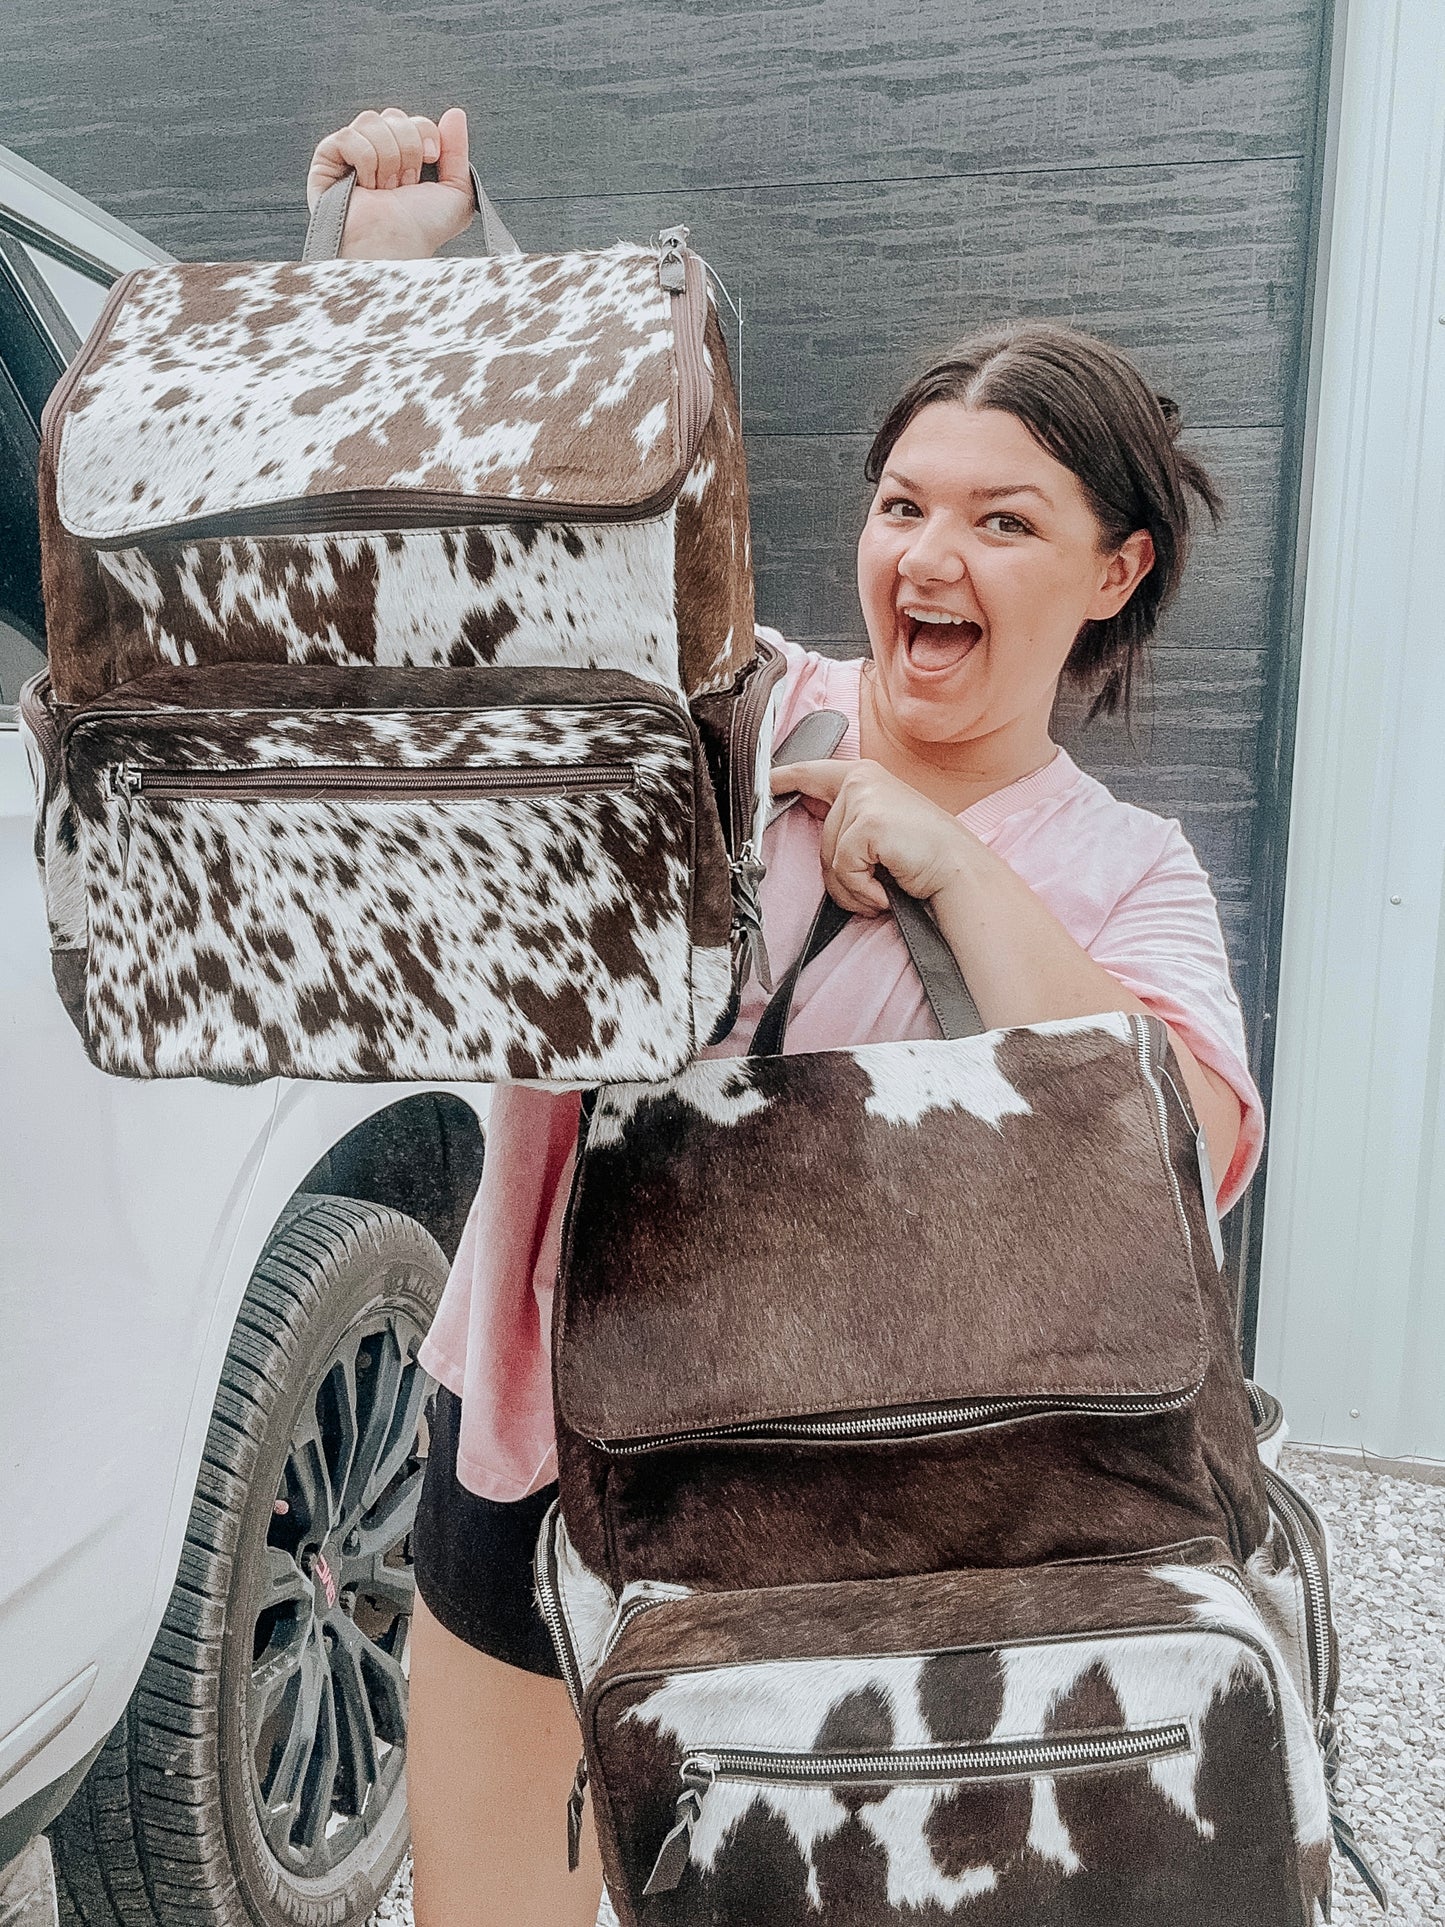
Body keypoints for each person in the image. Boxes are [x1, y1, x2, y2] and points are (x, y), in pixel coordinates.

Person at [307, 109, 1264, 1927]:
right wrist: (411, 279)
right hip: (532, 1435)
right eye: (905, 505)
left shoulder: (1126, 870)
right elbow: (535, 551)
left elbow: (1185, 1159)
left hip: (868, 1530)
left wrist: (964, 879)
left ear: (1114, 572)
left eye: (1004, 521)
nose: (929, 556)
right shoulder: (731, 706)